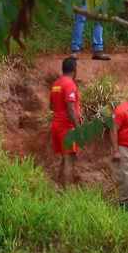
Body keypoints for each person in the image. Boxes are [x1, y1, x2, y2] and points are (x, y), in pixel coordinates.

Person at [49, 56, 82, 186]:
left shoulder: (56, 84)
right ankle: (67, 193)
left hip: (56, 125)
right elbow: (70, 109)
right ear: (74, 70)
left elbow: (51, 106)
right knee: (69, 159)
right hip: (66, 128)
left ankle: (59, 186)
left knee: (64, 158)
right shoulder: (70, 84)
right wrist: (79, 129)